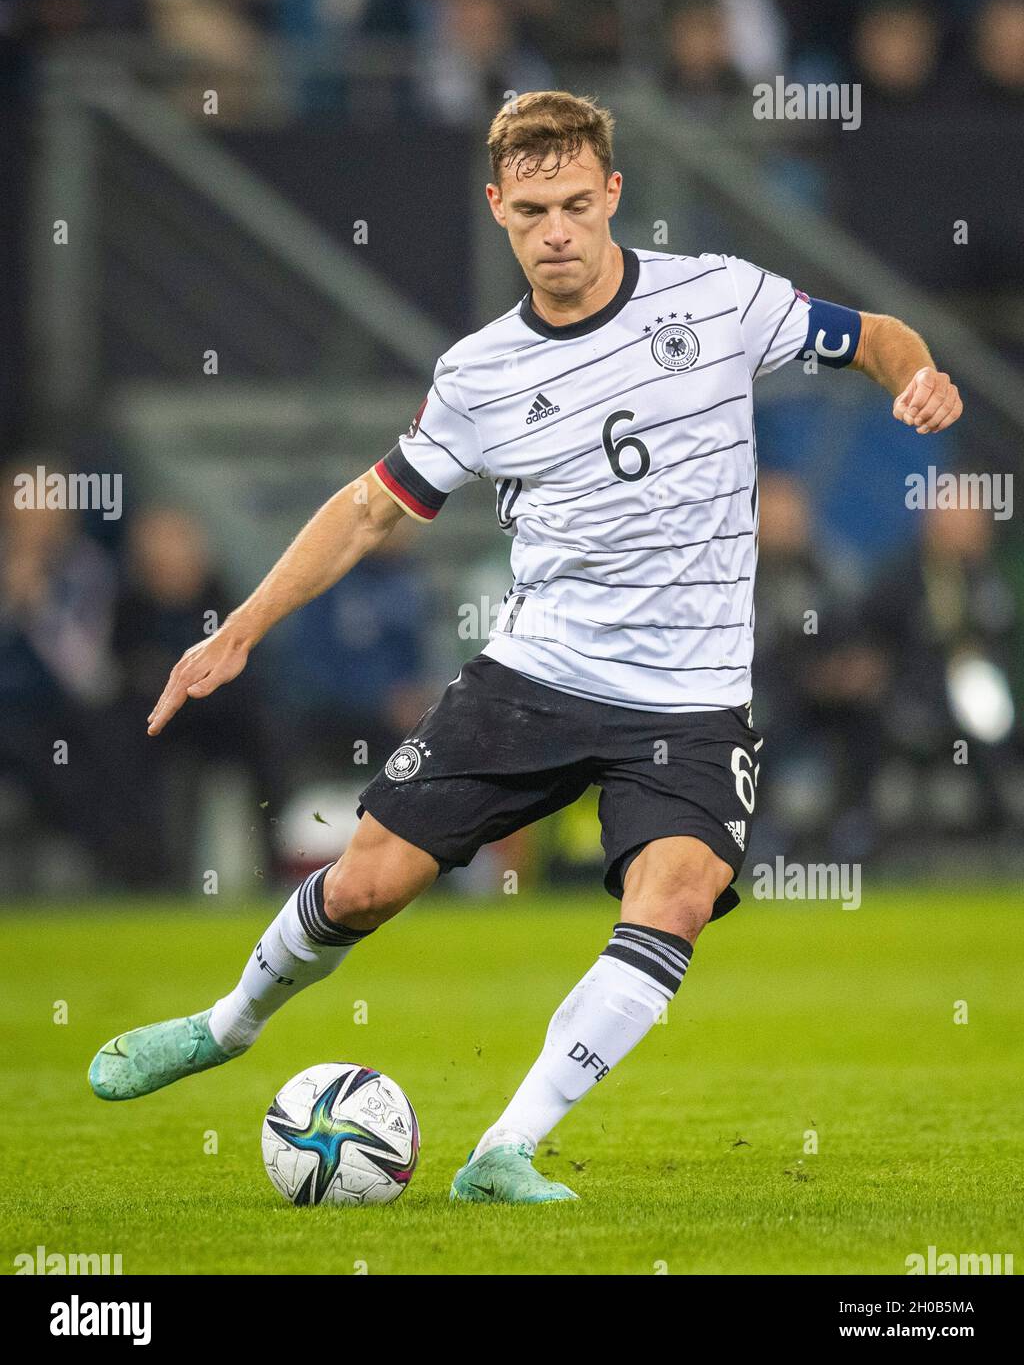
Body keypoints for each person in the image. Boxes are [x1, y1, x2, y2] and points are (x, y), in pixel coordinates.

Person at [89, 91, 962, 1204]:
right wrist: (239, 630)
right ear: (498, 207)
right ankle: (225, 1024)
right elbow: (369, 509)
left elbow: (874, 337)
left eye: (575, 204)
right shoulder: (479, 376)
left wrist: (916, 377)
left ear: (612, 197)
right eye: (532, 208)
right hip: (538, 674)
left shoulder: (720, 296)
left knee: (679, 893)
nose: (556, 229)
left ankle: (504, 1148)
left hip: (690, 697)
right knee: (362, 885)